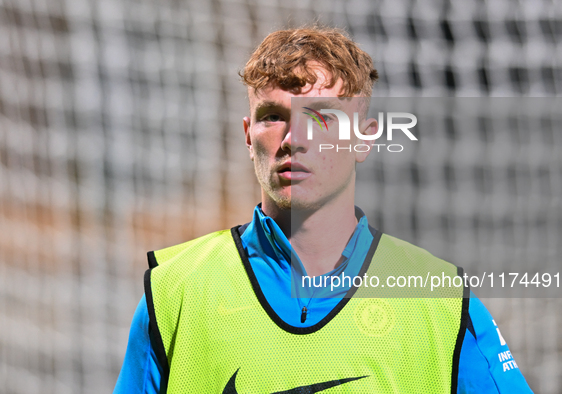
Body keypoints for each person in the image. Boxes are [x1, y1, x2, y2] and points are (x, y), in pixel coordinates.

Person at [114, 26, 533, 393]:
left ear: (365, 140)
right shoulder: (174, 292)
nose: (294, 138)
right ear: (248, 136)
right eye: (273, 116)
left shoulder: (440, 299)